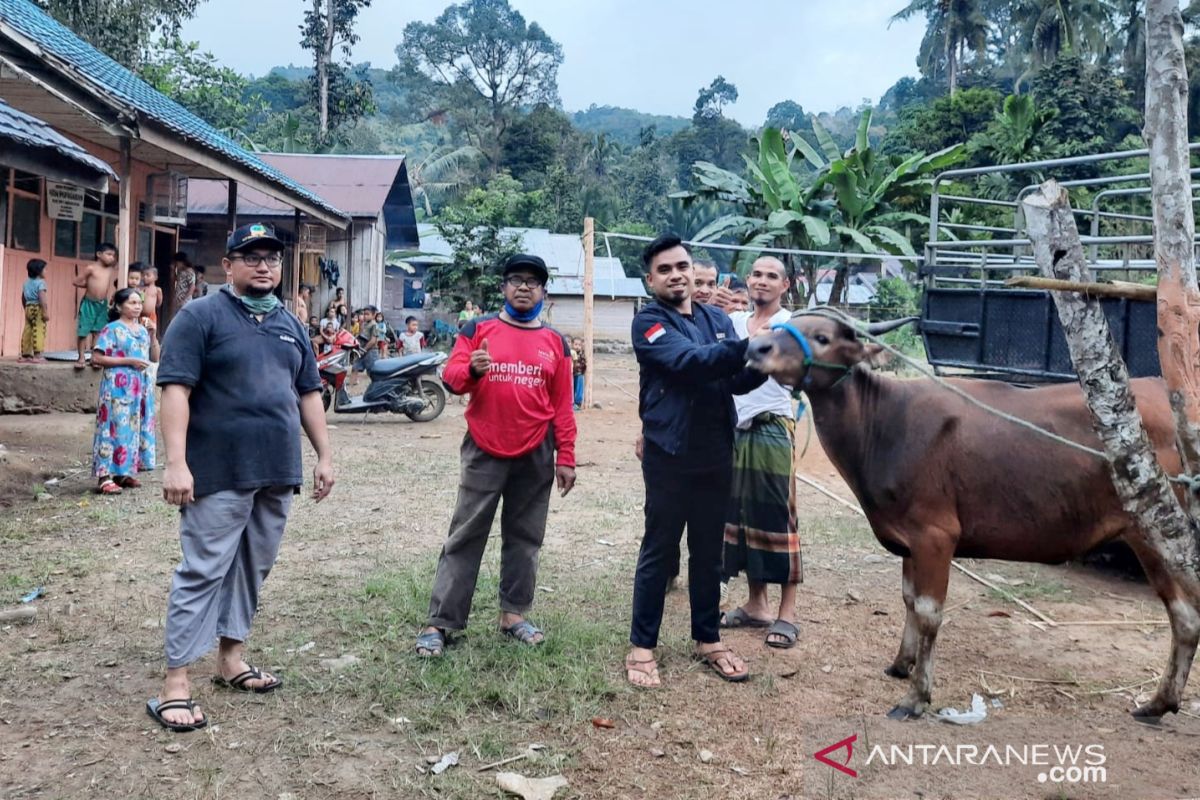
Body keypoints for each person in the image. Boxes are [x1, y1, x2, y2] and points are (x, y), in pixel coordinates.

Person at [146, 222, 334, 733]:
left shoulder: (291, 323)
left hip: (276, 469)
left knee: (253, 567)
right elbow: (176, 391)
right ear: (227, 265)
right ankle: (176, 684)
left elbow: (308, 393)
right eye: (250, 256)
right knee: (204, 569)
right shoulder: (200, 316)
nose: (264, 265)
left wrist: (323, 455)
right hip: (218, 470)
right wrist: (176, 462)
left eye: (271, 257)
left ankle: (231, 659)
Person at [415, 254, 577, 658]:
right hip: (484, 446)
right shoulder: (479, 328)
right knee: (466, 534)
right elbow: (451, 380)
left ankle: (513, 615)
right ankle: (441, 621)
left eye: (533, 282)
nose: (524, 287)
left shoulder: (556, 342)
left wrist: (566, 455)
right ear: (503, 287)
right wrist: (471, 368)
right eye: (516, 280)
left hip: (537, 449)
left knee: (525, 537)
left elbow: (562, 406)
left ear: (544, 292)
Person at [624, 233, 765, 689]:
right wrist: (751, 343)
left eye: (681, 266)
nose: (676, 275)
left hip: (716, 451)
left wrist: (770, 356)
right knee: (659, 549)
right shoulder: (648, 322)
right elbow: (689, 361)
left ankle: (708, 639)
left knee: (709, 553)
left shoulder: (717, 319)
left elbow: (737, 382)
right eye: (664, 270)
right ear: (651, 280)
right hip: (670, 453)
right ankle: (643, 646)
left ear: (692, 271)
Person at [714, 257, 803, 649]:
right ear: (747, 280)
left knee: (778, 517)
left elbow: (796, 375)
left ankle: (787, 614)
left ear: (785, 285)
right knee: (743, 516)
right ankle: (756, 605)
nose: (763, 281)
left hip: (772, 429)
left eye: (772, 276)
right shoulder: (732, 324)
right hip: (736, 429)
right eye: (757, 274)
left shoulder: (790, 324)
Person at [91, 288, 158, 495]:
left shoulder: (142, 330)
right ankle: (104, 476)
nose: (137, 306)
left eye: (139, 303)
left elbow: (154, 357)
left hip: (139, 387)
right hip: (116, 388)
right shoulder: (111, 329)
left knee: (132, 427)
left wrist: (153, 333)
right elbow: (97, 358)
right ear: (119, 306)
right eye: (132, 303)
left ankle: (123, 472)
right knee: (112, 427)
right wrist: (128, 361)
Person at [73, 242, 117, 370]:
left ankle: (95, 357)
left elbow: (118, 257)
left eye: (113, 255)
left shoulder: (109, 269)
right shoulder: (91, 268)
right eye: (108, 254)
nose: (111, 258)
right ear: (99, 254)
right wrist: (89, 286)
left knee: (98, 332)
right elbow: (75, 281)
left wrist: (117, 235)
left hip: (102, 304)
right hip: (88, 304)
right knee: (83, 332)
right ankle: (81, 357)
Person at [19, 258, 49, 364]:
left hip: (28, 307)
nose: (46, 271)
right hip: (38, 308)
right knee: (39, 330)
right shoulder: (41, 283)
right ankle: (37, 355)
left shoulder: (26, 283)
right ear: (39, 271)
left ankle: (25, 355)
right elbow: (42, 299)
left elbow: (23, 297)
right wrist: (45, 312)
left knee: (27, 330)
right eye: (45, 269)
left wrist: (25, 308)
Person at [171, 252, 197, 319]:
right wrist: (173, 270)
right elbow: (175, 279)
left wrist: (185, 299)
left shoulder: (189, 271)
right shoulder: (181, 271)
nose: (177, 265)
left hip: (185, 300)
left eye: (177, 263)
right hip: (178, 299)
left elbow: (192, 286)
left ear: (182, 262)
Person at [571, 337, 587, 411]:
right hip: (571, 374)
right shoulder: (570, 353)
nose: (577, 347)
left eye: (579, 345)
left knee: (579, 388)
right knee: (571, 388)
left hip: (579, 373)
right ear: (572, 345)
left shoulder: (581, 354)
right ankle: (571, 403)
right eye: (576, 344)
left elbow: (584, 364)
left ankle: (578, 403)